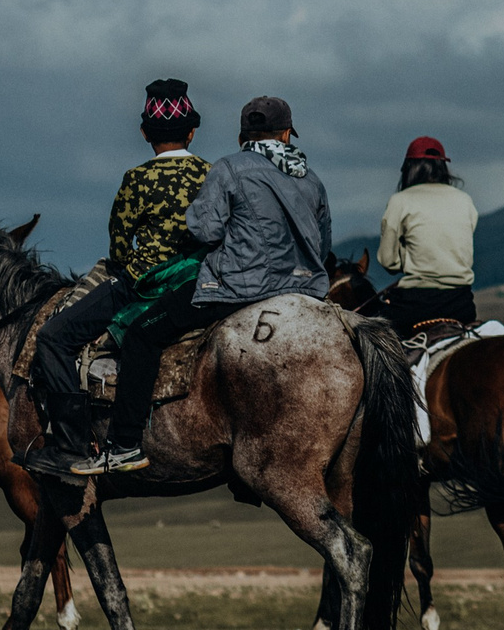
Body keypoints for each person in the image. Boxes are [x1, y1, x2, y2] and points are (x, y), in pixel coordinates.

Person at [75, 95, 334, 477]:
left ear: (244, 135)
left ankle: (124, 445)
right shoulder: (311, 178)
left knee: (142, 334)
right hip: (305, 289)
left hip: (238, 286)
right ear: (286, 134)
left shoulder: (229, 168)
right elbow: (324, 243)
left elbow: (204, 229)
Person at [25, 81, 208, 472]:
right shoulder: (211, 173)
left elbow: (120, 249)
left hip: (142, 281)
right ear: (192, 130)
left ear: (145, 134)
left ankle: (71, 446)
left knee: (53, 337)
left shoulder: (137, 179)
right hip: (199, 283)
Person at [373, 136, 480, 343]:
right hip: (461, 303)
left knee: (375, 347)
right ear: (442, 167)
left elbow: (388, 261)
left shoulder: (400, 201)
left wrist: (408, 257)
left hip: (415, 304)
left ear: (409, 167)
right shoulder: (464, 201)